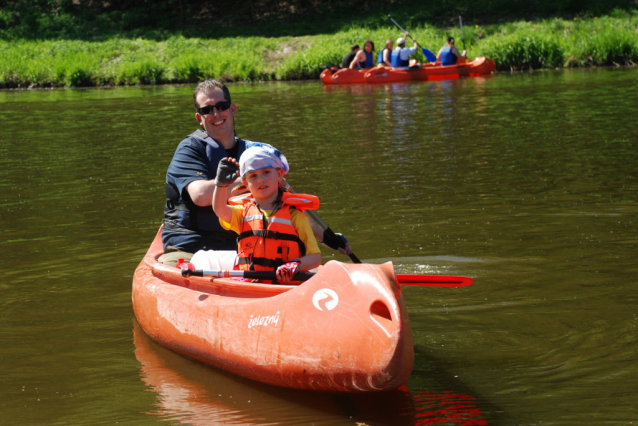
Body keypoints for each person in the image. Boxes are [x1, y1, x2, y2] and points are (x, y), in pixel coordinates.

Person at [212, 143, 322, 283]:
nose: (261, 180)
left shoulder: (295, 217)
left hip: (286, 287)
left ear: (279, 174)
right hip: (250, 286)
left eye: (266, 172)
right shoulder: (242, 213)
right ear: (246, 183)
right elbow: (220, 210)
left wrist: (296, 264)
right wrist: (221, 185)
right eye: (253, 176)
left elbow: (315, 258)